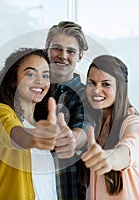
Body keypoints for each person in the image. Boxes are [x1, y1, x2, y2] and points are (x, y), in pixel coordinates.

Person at [0, 48, 64, 200]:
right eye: (31, 74)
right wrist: (34, 138)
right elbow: (16, 135)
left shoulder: (40, 123)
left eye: (45, 75)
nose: (40, 81)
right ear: (13, 80)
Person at [81, 55, 139, 199]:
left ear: (120, 88)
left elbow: (127, 151)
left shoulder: (135, 124)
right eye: (92, 83)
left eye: (106, 84)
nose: (96, 90)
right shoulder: (97, 125)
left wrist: (109, 158)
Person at [35, 20, 89, 200]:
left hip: (69, 193)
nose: (63, 55)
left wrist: (73, 139)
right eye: (57, 48)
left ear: (80, 56)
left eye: (71, 51)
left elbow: (87, 126)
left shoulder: (87, 94)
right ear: (46, 49)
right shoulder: (32, 89)